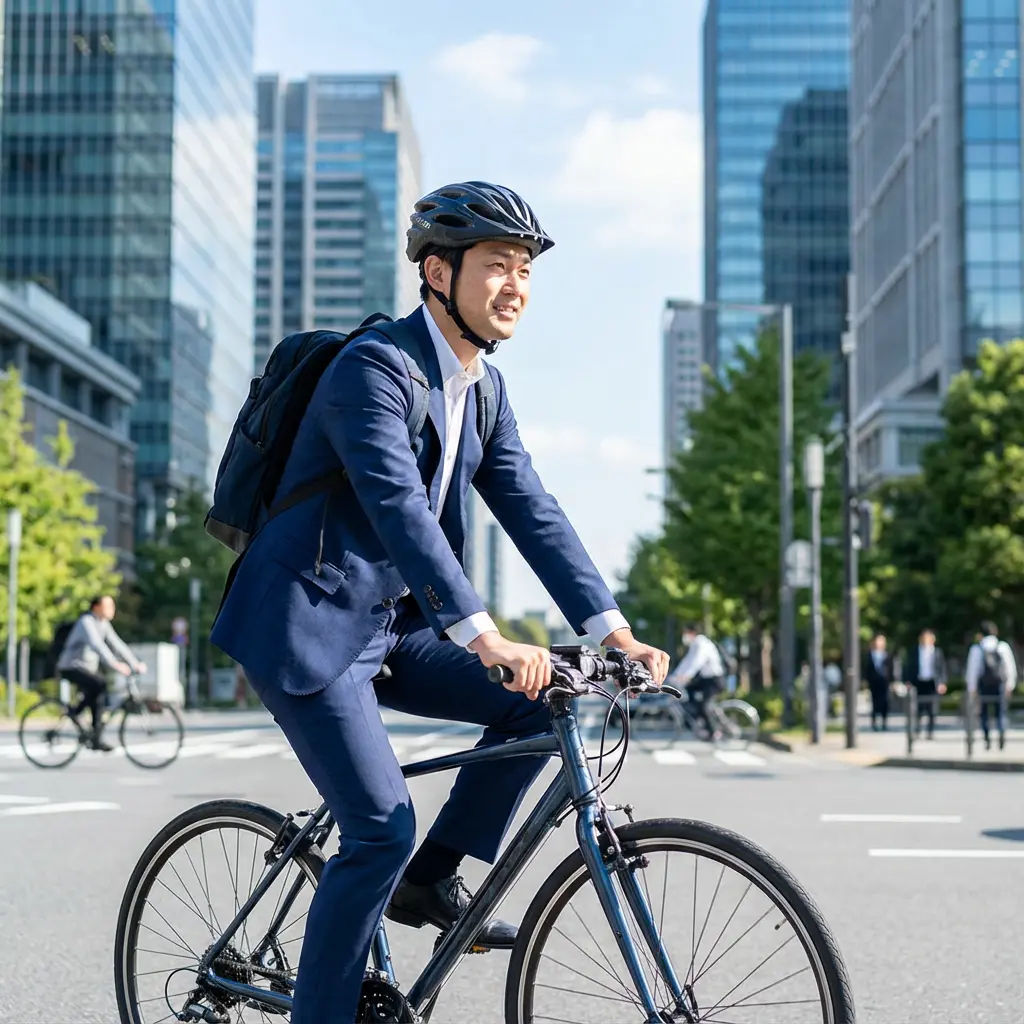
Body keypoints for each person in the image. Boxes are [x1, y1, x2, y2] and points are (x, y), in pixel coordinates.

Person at [210, 181, 669, 1024]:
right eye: (497, 265)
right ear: (437, 271)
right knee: (380, 824)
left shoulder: (483, 390)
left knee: (543, 702)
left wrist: (615, 631)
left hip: (389, 629)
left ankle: (428, 878)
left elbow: (532, 508)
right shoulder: (374, 368)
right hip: (306, 625)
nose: (515, 287)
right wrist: (486, 635)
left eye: (525, 270)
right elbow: (399, 509)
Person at [56, 595, 146, 751]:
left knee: (99, 691)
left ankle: (95, 735)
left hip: (86, 668)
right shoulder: (86, 622)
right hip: (70, 667)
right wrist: (115, 664)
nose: (112, 609)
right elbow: (98, 645)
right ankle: (76, 714)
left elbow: (117, 644)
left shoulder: (103, 624)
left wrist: (134, 663)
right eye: (108, 606)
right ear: (96, 607)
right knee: (99, 684)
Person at [667, 625, 726, 740]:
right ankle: (701, 721)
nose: (684, 637)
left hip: (713, 679)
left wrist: (686, 676)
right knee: (689, 694)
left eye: (685, 633)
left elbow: (696, 662)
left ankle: (713, 731)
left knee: (704, 704)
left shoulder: (702, 644)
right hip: (705, 679)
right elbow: (687, 662)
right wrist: (675, 676)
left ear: (692, 632)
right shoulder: (695, 645)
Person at [965, 621, 1017, 750]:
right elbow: (1010, 667)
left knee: (984, 713)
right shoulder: (1002, 646)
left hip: (983, 685)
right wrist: (1010, 685)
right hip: (999, 684)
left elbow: (972, 670)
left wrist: (972, 688)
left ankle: (987, 738)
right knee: (1001, 712)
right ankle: (1001, 733)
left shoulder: (977, 648)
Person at [902, 629, 947, 739]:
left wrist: (942, 683)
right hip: (919, 682)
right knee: (918, 708)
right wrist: (907, 681)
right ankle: (917, 729)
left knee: (932, 709)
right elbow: (908, 666)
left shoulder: (937, 652)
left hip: (932, 682)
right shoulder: (915, 651)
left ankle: (930, 731)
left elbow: (942, 668)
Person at [863, 633, 893, 731]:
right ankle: (874, 721)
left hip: (885, 682)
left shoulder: (887, 655)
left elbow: (891, 669)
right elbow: (866, 669)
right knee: (874, 702)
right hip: (873, 681)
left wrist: (892, 681)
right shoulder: (869, 655)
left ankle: (884, 722)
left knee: (885, 701)